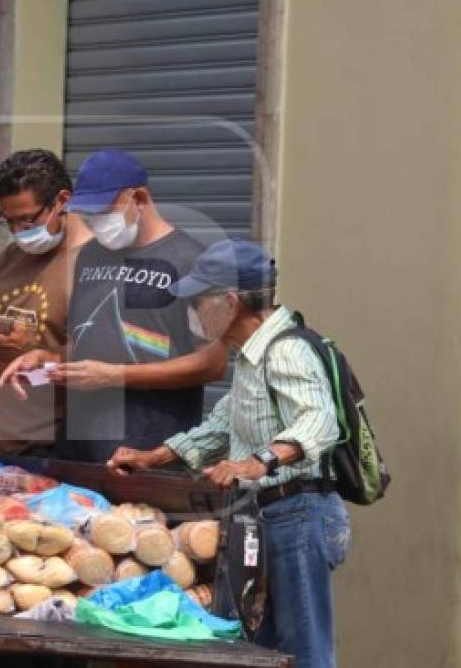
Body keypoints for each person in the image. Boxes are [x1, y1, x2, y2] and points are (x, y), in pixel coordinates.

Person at [106, 238, 351, 668]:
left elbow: (319, 423)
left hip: (300, 515)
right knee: (259, 652)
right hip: (266, 516)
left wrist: (256, 463)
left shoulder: (287, 350)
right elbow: (222, 425)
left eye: (199, 301)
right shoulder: (252, 357)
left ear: (229, 302)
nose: (194, 314)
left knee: (306, 652)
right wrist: (154, 457)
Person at [0, 149, 230, 462]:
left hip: (148, 453)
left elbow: (213, 364)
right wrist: (48, 358)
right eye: (90, 215)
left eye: (104, 211)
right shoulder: (92, 255)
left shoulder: (191, 261)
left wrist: (116, 376)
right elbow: (92, 341)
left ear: (138, 198)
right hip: (79, 448)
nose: (96, 222)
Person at [0, 149, 92, 455]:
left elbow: (104, 360)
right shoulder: (11, 257)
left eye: (27, 220)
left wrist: (38, 356)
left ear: (63, 201)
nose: (19, 232)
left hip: (52, 447)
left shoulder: (95, 264)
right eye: (9, 222)